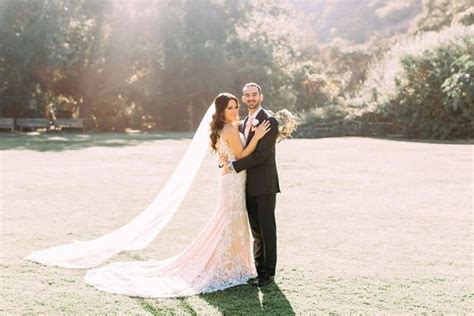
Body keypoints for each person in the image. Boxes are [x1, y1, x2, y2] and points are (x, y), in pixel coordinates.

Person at [83, 92, 271, 297]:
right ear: (221, 111)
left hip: (230, 180)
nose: (235, 111)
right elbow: (242, 155)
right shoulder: (229, 129)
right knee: (230, 223)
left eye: (236, 107)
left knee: (230, 223)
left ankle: (235, 263)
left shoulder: (224, 128)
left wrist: (234, 151)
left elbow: (223, 157)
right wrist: (258, 137)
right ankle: (226, 266)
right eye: (230, 108)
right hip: (234, 182)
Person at [221, 82, 280, 287]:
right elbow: (236, 147)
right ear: (243, 99)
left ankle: (268, 273)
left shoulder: (269, 121)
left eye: (255, 94)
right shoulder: (244, 121)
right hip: (245, 185)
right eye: (247, 95)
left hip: (264, 185)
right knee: (256, 230)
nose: (251, 98)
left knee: (267, 229)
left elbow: (261, 156)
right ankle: (258, 269)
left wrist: (234, 166)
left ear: (260, 97)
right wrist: (224, 158)